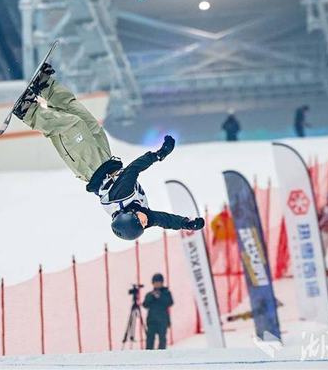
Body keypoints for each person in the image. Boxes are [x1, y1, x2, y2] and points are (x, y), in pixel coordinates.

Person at [14, 63, 204, 240]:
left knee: (72, 126)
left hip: (89, 165)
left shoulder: (121, 197)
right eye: (145, 225)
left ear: (129, 215)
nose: (146, 221)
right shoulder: (143, 213)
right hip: (105, 158)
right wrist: (186, 223)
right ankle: (46, 86)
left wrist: (158, 155)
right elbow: (164, 220)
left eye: (141, 221)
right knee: (82, 117)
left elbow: (133, 170)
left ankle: (28, 111)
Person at [143, 273, 173, 350]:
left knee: (162, 339)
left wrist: (160, 297)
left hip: (163, 320)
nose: (157, 284)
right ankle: (149, 356)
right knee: (150, 339)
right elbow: (145, 305)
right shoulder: (150, 294)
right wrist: (152, 297)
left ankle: (162, 357)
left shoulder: (166, 293)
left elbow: (170, 302)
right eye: (155, 282)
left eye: (158, 282)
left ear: (162, 283)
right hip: (152, 320)